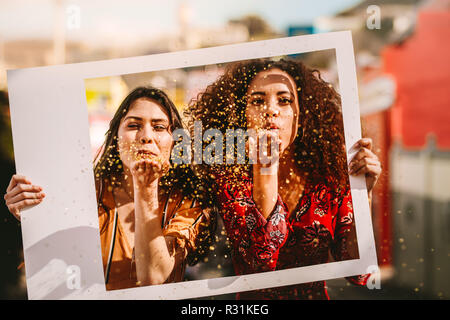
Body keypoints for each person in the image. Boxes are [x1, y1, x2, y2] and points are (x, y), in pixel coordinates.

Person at [186, 58, 382, 299]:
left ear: (299, 116)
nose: (271, 110)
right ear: (242, 116)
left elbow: (358, 272)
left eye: (284, 100)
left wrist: (364, 195)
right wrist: (265, 169)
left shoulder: (329, 175)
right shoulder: (231, 178)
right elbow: (262, 263)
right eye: (257, 101)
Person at [4, 86, 215, 291]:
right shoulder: (84, 191)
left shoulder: (190, 200)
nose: (146, 136)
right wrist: (29, 213)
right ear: (115, 138)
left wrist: (145, 188)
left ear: (174, 143)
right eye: (133, 125)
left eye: (159, 127)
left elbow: (154, 276)